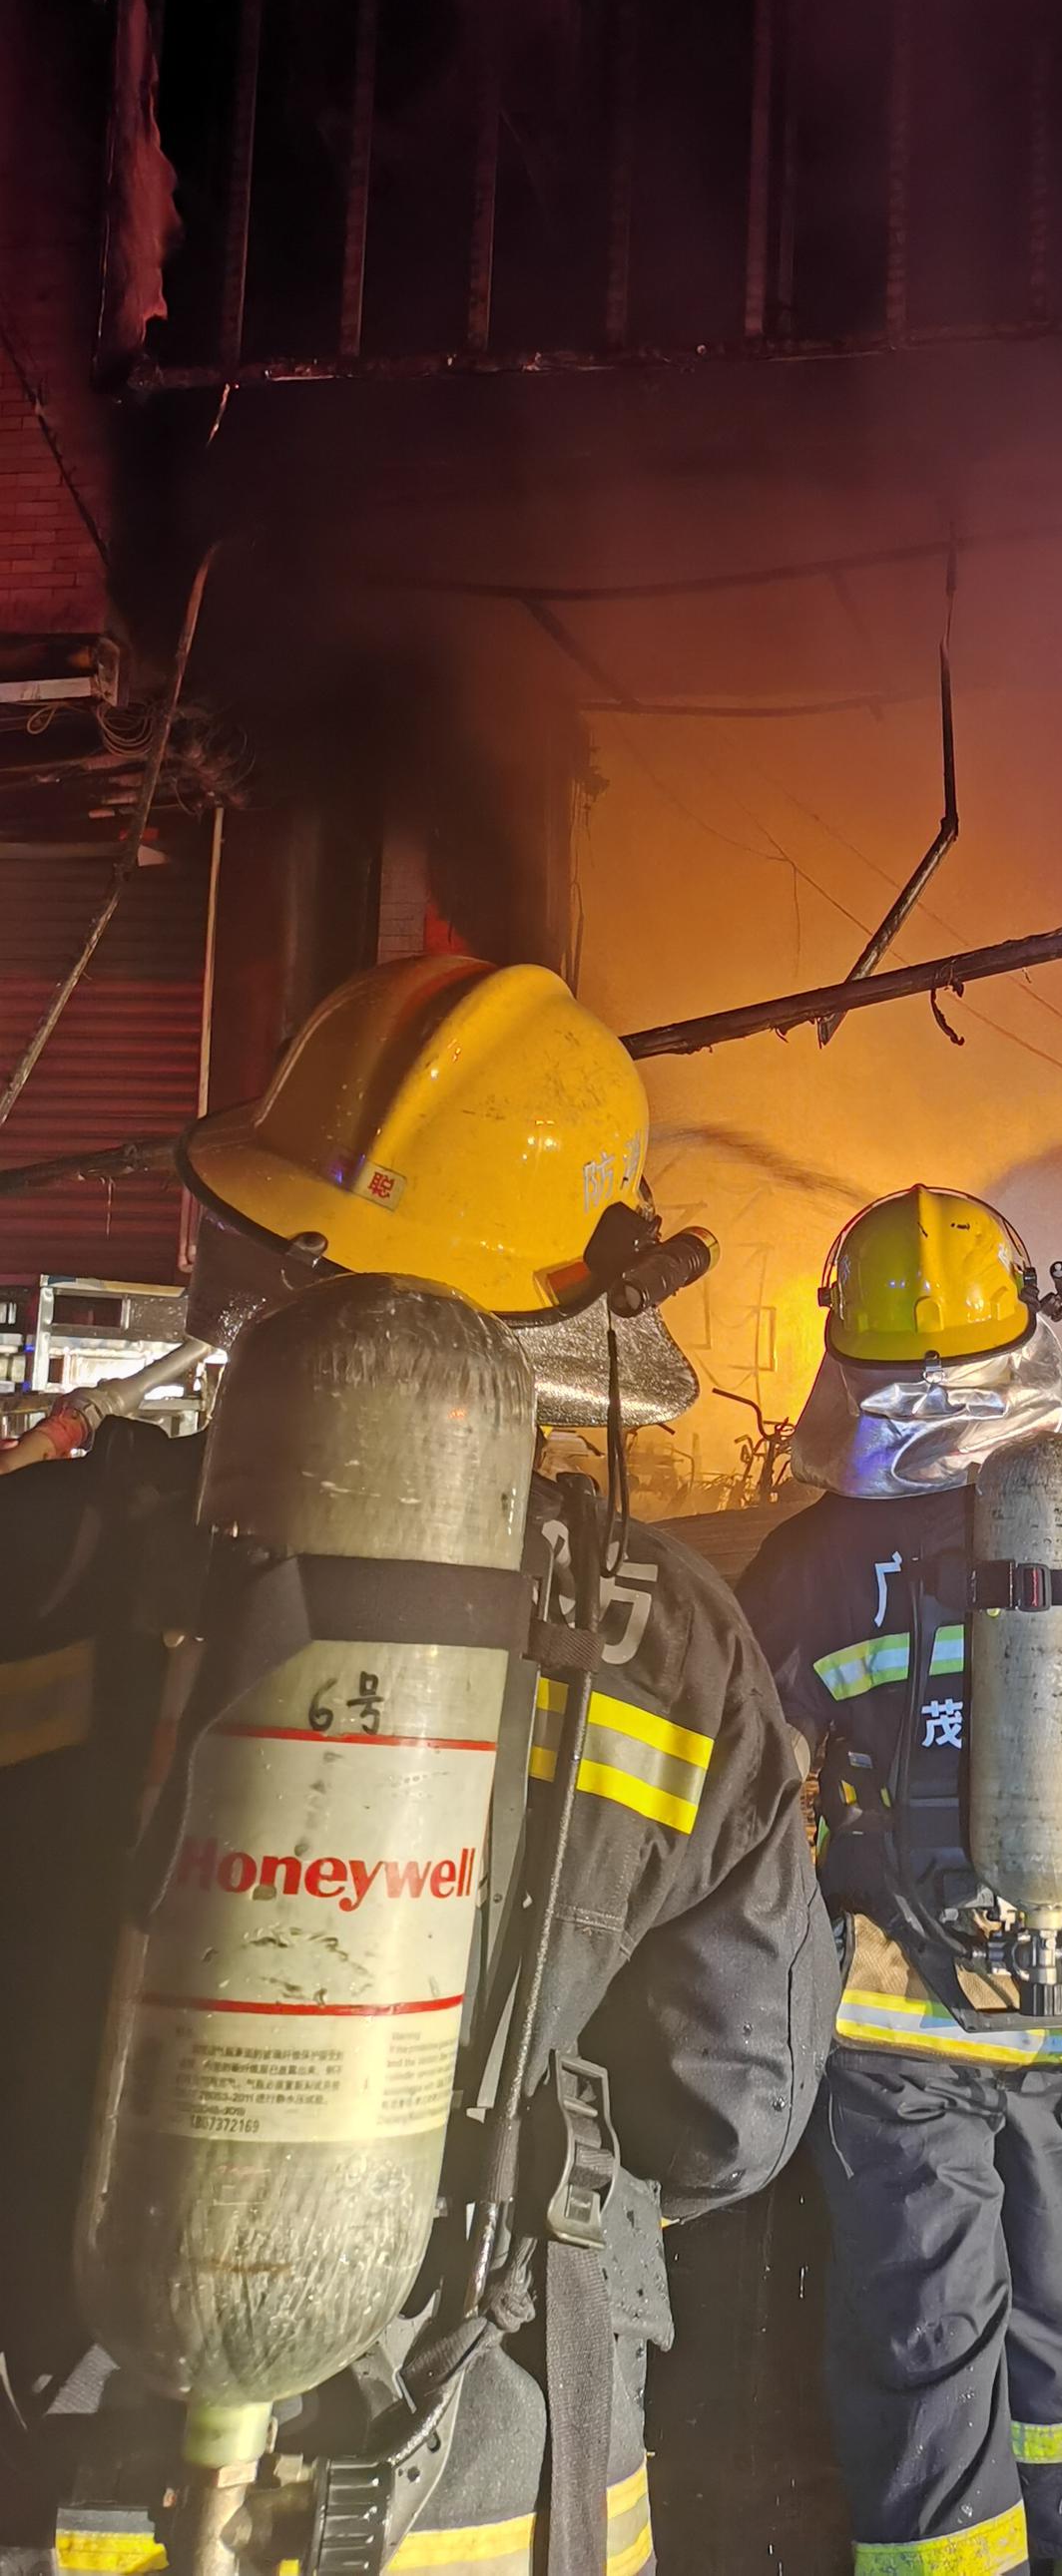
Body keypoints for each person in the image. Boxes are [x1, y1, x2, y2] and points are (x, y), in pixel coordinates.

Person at [0, 954, 838, 2576]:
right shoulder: (671, 1646)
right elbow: (733, 2112)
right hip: (477, 2484)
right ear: (583, 1310)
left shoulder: (38, 1557)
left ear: (256, 1237)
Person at [738, 1187, 1062, 2576]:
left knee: (925, 2326)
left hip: (889, 2021)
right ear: (1018, 1342)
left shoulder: (810, 1563)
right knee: (1060, 2293)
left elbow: (752, 1766)